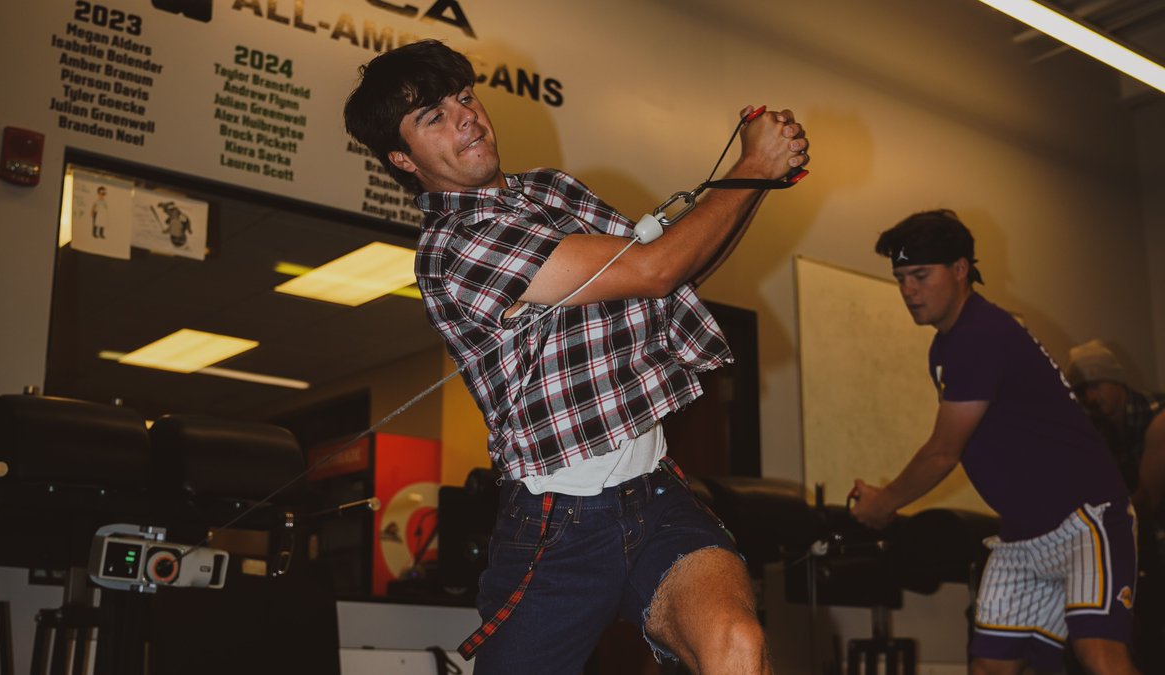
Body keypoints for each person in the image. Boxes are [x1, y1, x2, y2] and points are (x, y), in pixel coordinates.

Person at [344, 40, 808, 674]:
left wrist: (762, 178)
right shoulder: (452, 246)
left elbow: (672, 275)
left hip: (655, 496)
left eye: (464, 97)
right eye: (433, 117)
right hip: (554, 527)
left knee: (737, 644)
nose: (466, 117)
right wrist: (754, 168)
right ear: (403, 159)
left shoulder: (551, 189)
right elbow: (653, 268)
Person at [849, 210, 1140, 675]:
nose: (909, 291)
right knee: (990, 666)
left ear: (961, 269)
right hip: (1023, 535)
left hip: (1085, 519)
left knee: (1099, 654)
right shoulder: (944, 347)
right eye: (901, 278)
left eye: (921, 275)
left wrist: (884, 503)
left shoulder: (980, 334)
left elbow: (943, 452)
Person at [1066, 340, 1165, 672]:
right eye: (1082, 391)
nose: (1091, 398)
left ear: (1117, 381)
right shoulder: (1099, 429)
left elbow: (1147, 499)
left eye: (1096, 385)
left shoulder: (1159, 418)